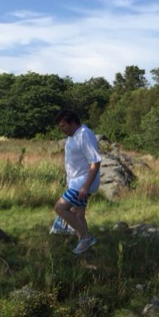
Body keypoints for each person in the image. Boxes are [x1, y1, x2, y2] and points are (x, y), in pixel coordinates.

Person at [53, 109, 101, 254]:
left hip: (83, 181)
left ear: (72, 122)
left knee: (60, 208)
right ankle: (85, 246)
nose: (62, 130)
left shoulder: (84, 134)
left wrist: (85, 186)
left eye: (63, 126)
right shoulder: (72, 135)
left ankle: (86, 238)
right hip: (76, 181)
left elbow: (95, 162)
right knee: (78, 214)